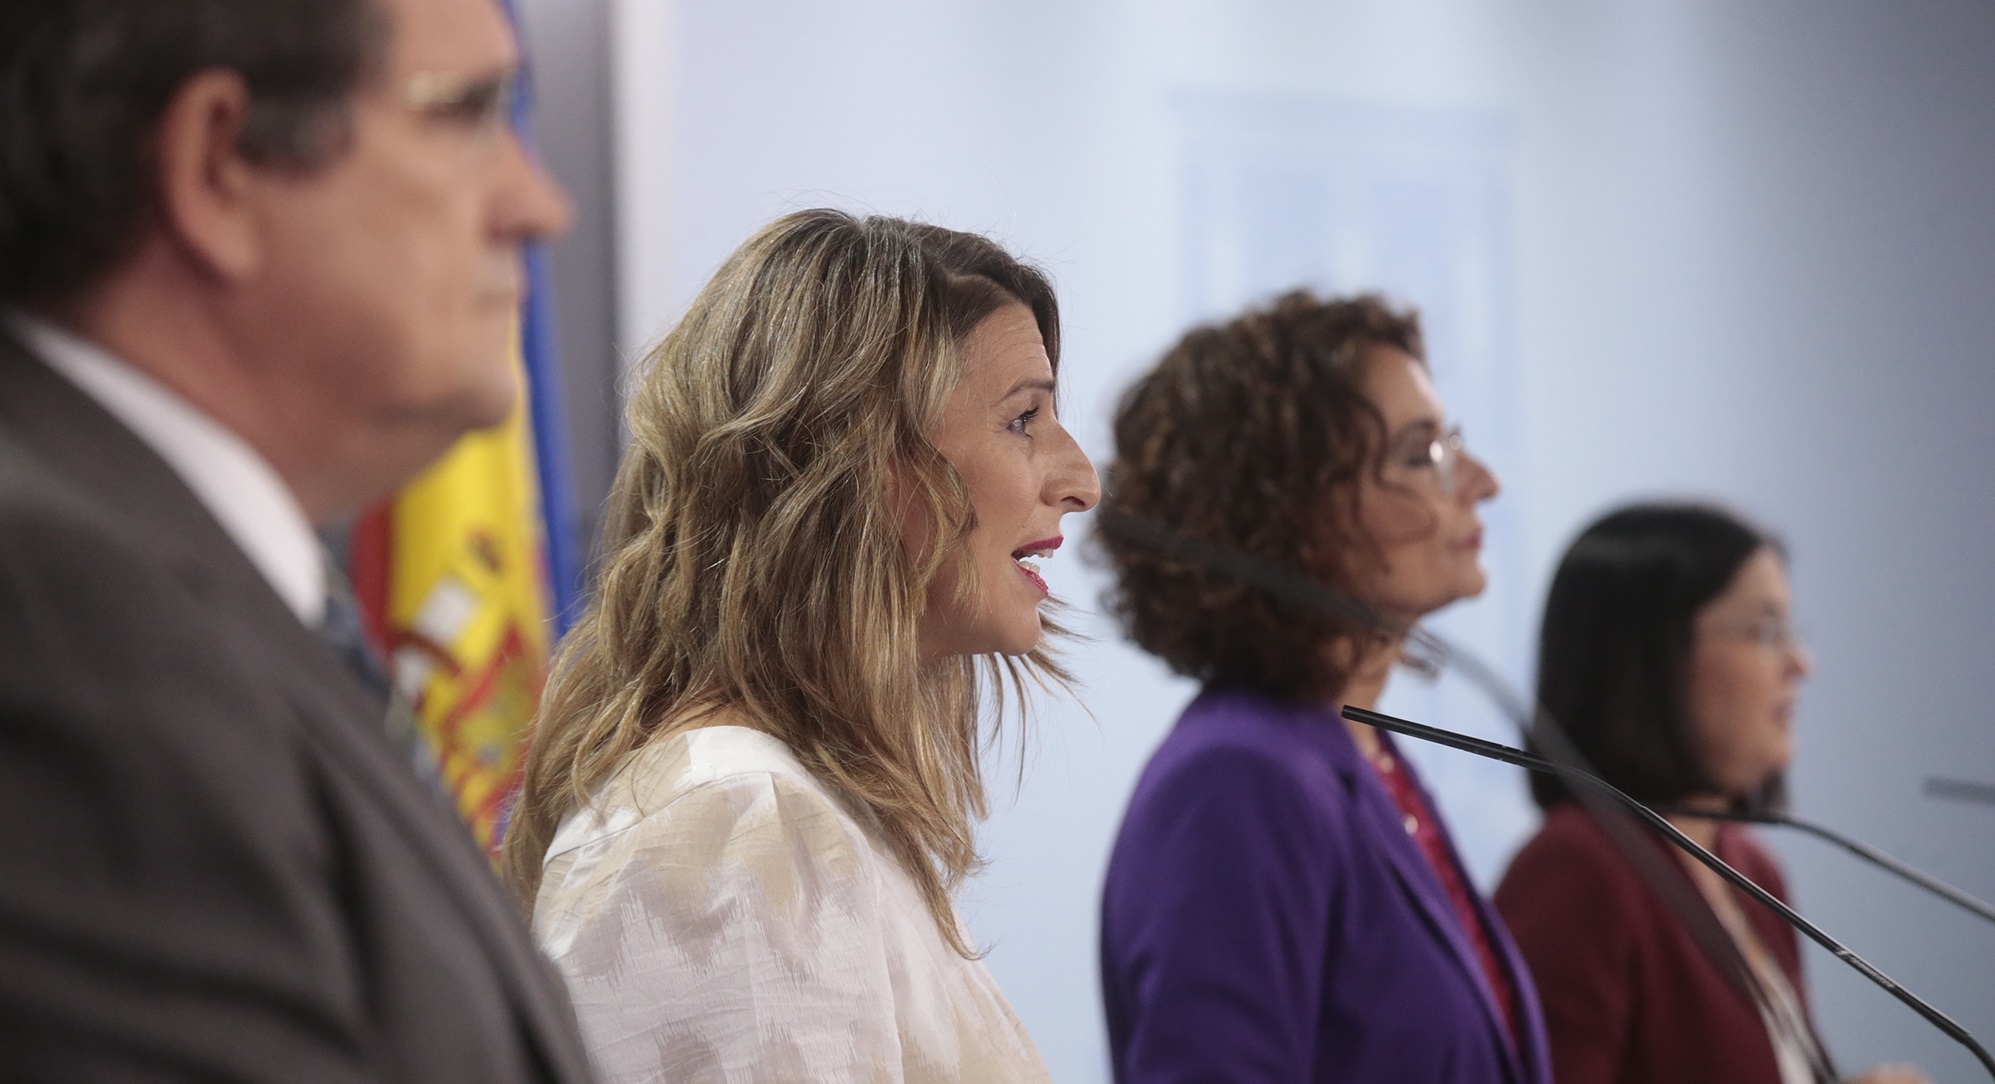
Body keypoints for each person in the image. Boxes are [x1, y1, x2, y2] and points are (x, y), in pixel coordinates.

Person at [0, 0, 592, 1080]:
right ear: (219, 165)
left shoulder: (179, 590)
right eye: (464, 115)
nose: (538, 203)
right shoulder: (65, 618)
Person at [503, 209, 1100, 1082]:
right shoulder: (732, 823)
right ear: (857, 461)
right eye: (1023, 420)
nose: (1079, 480)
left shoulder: (786, 808)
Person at [1095, 291, 1549, 1083]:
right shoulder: (1238, 778)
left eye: (1450, 442)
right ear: (1286, 513)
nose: (1481, 482)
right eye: (1420, 455)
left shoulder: (1357, 755)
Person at [1493, 503, 1925, 1084]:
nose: (1801, 663)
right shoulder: (1580, 869)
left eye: (1792, 631)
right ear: (1653, 658)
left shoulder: (1750, 868)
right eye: (1764, 631)